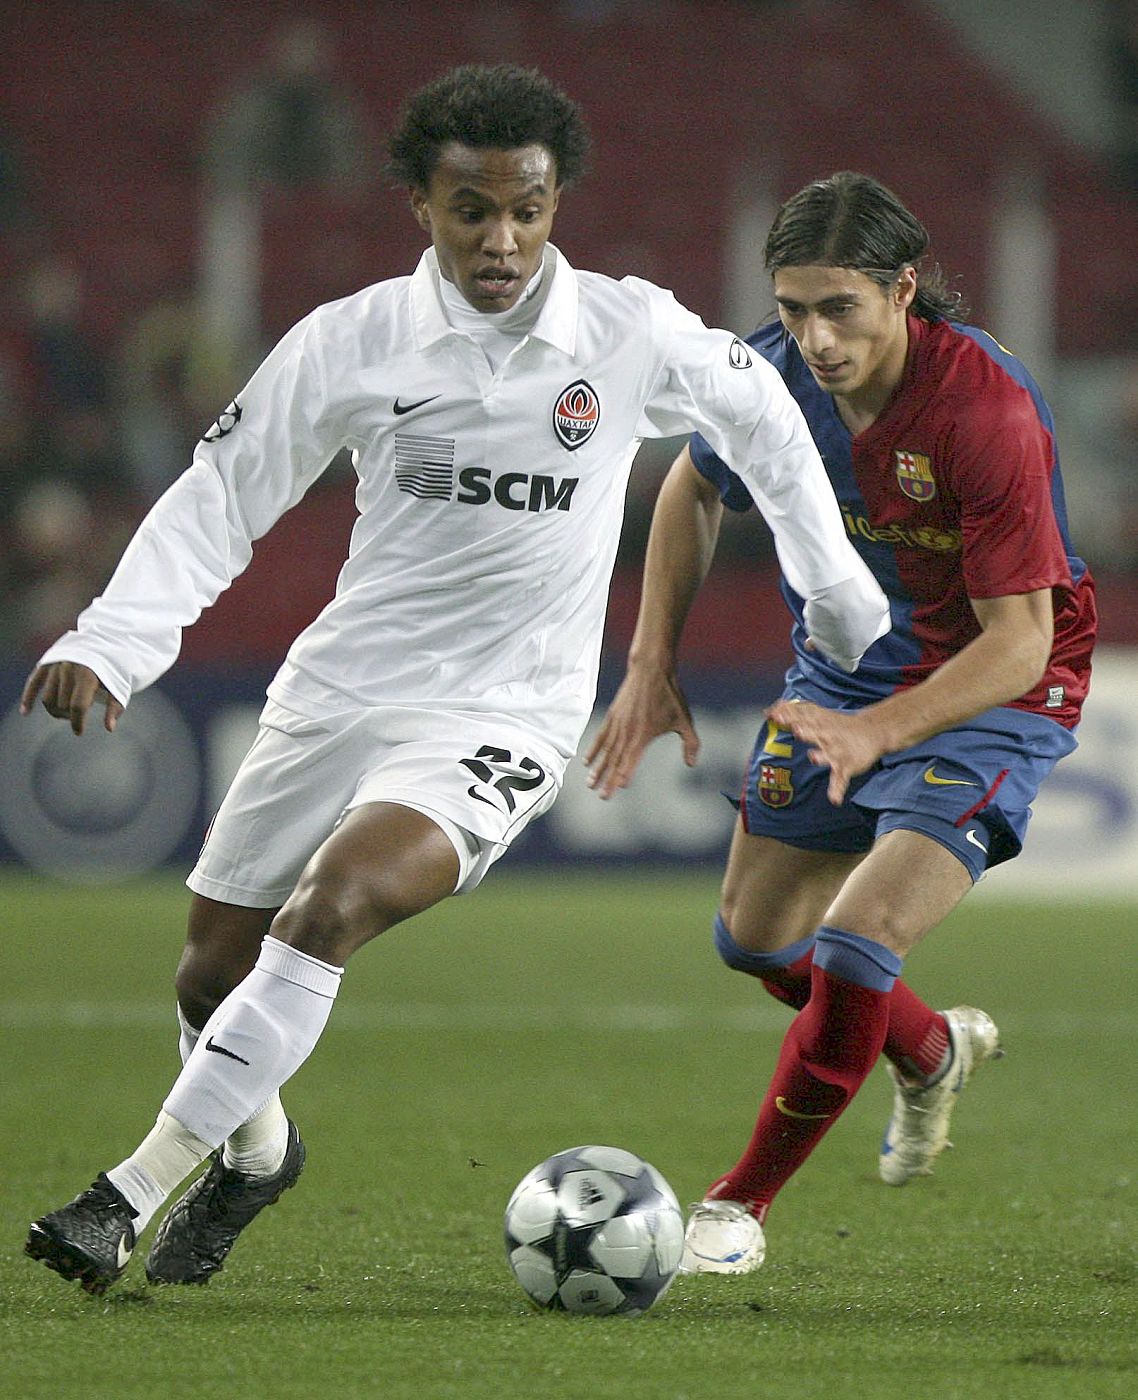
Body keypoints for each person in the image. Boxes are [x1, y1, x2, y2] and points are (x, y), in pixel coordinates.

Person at [20, 69, 889, 1297]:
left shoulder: (622, 331)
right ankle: (256, 1153)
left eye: (528, 209)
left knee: (328, 910)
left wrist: (835, 582)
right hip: (339, 689)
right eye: (471, 209)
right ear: (419, 204)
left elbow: (757, 413)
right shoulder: (352, 339)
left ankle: (125, 1190)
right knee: (210, 975)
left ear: (555, 203)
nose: (503, 239)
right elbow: (224, 495)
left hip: (503, 712)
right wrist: (113, 638)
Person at [588, 171, 1096, 1275]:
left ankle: (738, 1204)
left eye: (839, 309)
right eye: (792, 307)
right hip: (842, 674)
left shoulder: (983, 410)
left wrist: (882, 735)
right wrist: (649, 659)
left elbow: (1017, 638)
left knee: (859, 943)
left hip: (992, 687)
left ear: (903, 289)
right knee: (757, 940)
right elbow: (689, 489)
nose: (813, 337)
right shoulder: (769, 372)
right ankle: (927, 1046)